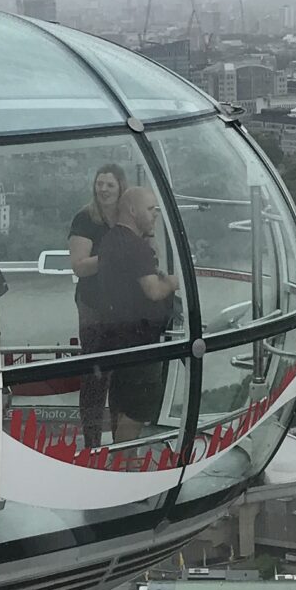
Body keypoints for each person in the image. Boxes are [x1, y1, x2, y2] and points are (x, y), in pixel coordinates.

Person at [96, 188, 180, 442]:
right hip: (140, 340)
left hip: (117, 336)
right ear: (132, 210)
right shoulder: (136, 247)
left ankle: (120, 462)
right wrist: (174, 282)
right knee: (136, 410)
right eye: (150, 209)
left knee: (122, 404)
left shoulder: (110, 240)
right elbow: (153, 291)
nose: (155, 215)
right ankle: (124, 464)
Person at [68, 163, 128, 442]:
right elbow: (79, 266)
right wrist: (109, 258)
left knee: (122, 376)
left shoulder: (128, 217)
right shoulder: (85, 219)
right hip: (93, 305)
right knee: (95, 375)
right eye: (99, 183)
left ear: (121, 188)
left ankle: (120, 439)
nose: (102, 189)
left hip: (125, 306)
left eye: (109, 185)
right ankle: (92, 440)